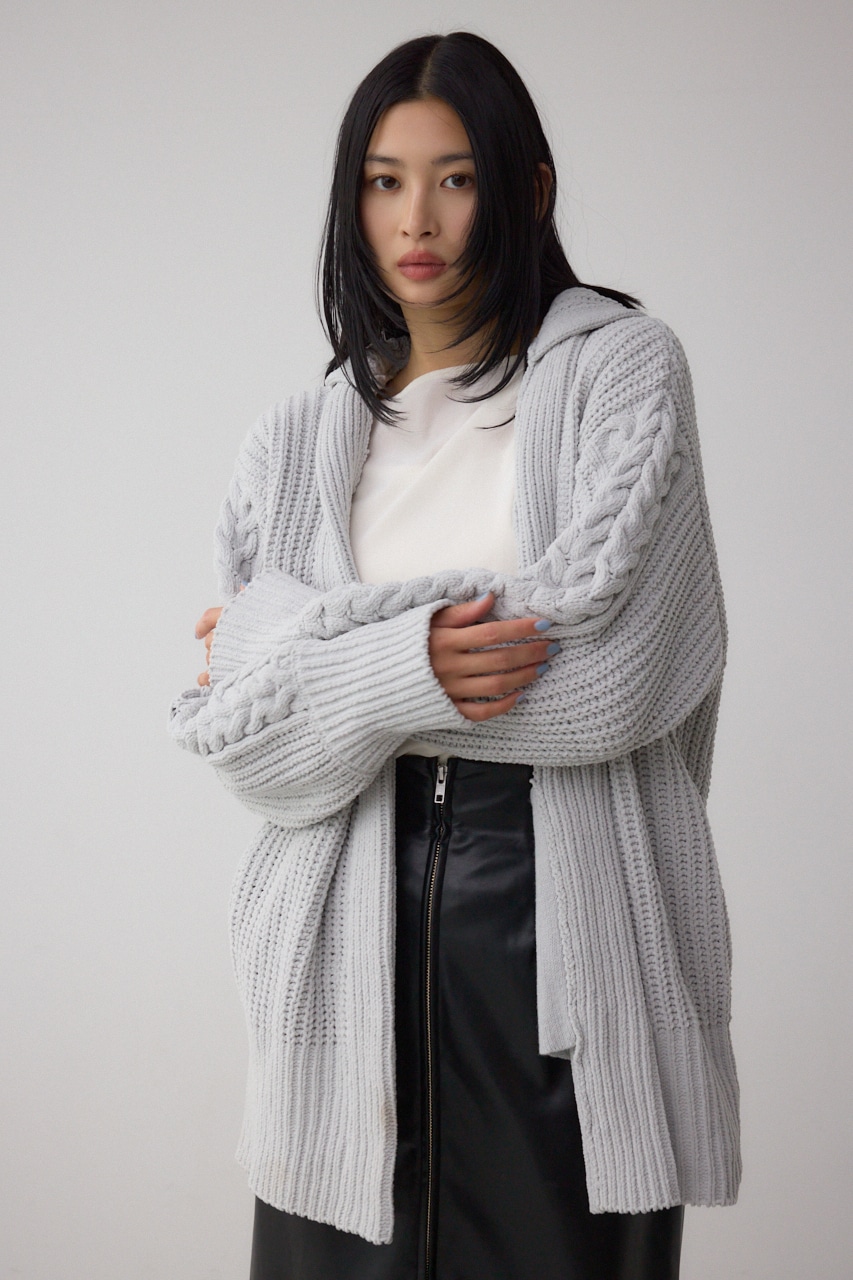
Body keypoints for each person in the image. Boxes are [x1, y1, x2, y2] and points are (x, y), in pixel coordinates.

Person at [169, 31, 741, 1280]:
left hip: (560, 950)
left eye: (455, 177)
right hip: (335, 962)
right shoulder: (295, 437)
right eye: (383, 181)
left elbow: (609, 671)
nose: (414, 219)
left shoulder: (620, 370)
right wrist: (404, 662)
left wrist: (300, 650)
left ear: (526, 188)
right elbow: (246, 746)